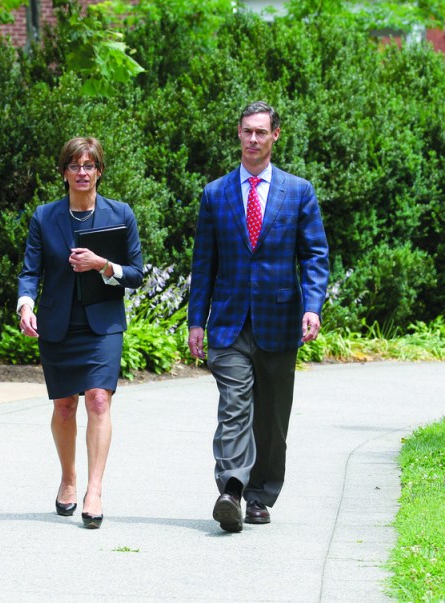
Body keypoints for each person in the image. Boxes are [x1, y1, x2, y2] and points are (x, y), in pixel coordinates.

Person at [187, 102, 329, 533]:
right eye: (247, 131)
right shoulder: (215, 193)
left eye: (261, 133)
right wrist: (196, 320)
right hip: (228, 322)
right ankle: (230, 488)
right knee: (234, 406)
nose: (253, 139)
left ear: (275, 136)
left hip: (279, 320)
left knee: (271, 417)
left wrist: (312, 306)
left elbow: (315, 255)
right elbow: (204, 262)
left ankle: (260, 497)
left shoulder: (298, 191)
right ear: (238, 134)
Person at [17, 137, 144, 529]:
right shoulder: (44, 216)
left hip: (102, 325)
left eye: (89, 166)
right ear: (64, 173)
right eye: (75, 166)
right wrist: (25, 304)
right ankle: (68, 478)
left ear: (100, 171)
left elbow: (136, 274)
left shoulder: (120, 214)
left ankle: (95, 490)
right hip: (58, 323)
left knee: (98, 401)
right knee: (65, 406)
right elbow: (30, 271)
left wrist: (103, 264)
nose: (82, 173)